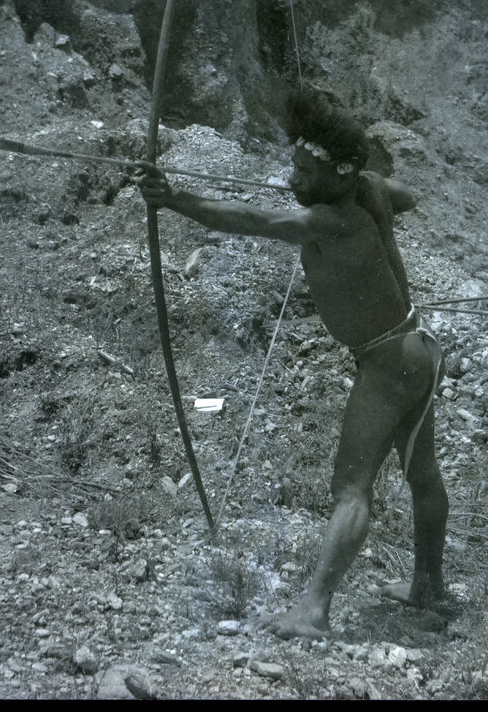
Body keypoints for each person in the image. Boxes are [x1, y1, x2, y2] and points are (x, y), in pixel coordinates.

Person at [135, 90, 448, 640]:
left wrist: (174, 199)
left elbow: (254, 219)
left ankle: (313, 611)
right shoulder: (368, 190)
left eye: (304, 171)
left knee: (351, 489)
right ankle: (427, 586)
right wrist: (370, 189)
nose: (291, 179)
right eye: (294, 166)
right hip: (414, 350)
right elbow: (409, 194)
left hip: (387, 362)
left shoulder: (331, 221)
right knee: (421, 473)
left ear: (338, 174)